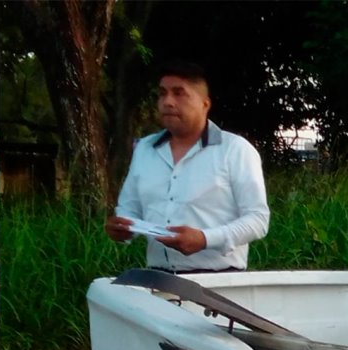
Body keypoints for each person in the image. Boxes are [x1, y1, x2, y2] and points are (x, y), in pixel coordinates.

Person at [105, 61, 269, 273]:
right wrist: (123, 228)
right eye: (162, 94)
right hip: (158, 278)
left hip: (220, 282)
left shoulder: (235, 150)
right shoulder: (145, 149)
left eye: (179, 93)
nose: (168, 102)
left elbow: (258, 220)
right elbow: (130, 207)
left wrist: (204, 239)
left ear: (205, 104)